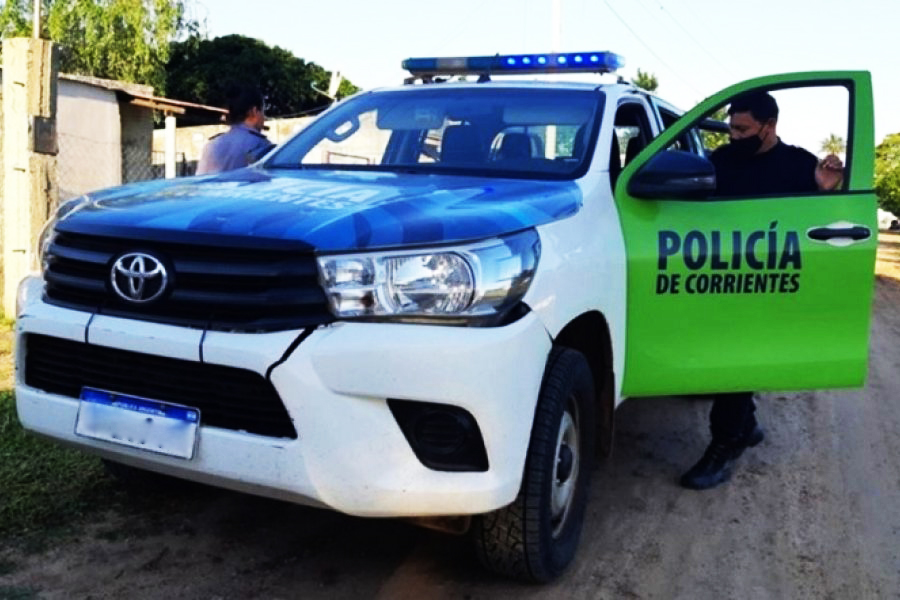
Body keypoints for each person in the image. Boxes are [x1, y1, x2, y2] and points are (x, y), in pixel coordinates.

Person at [679, 91, 844, 490]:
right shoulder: (720, 161)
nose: (734, 136)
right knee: (723, 356)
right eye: (731, 129)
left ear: (769, 126)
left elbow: (825, 225)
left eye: (743, 129)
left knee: (735, 359)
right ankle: (747, 424)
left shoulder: (799, 164)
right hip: (721, 280)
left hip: (769, 285)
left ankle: (725, 444)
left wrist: (825, 191)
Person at [196, 86, 275, 175]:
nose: (264, 118)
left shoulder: (211, 145)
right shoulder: (262, 146)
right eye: (263, 112)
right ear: (254, 111)